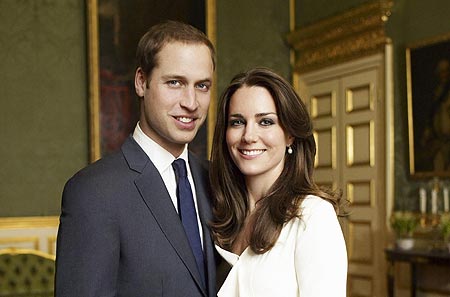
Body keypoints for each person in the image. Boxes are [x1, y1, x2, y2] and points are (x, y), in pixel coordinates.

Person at [55, 20, 217, 297]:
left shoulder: (217, 180)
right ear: (142, 82)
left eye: (202, 86)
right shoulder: (94, 192)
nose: (191, 102)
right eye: (175, 83)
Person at [209, 67, 348, 297]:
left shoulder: (313, 215)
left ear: (290, 134)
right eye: (237, 122)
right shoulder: (221, 212)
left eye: (265, 122)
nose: (249, 136)